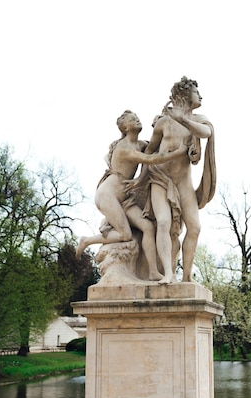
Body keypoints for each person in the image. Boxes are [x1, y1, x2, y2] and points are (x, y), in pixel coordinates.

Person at [76, 110, 188, 281]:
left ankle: (152, 272)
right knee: (125, 235)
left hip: (125, 198)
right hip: (108, 196)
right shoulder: (125, 148)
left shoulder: (140, 144)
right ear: (125, 128)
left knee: (148, 227)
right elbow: (151, 159)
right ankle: (87, 240)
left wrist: (164, 119)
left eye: (136, 117)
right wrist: (180, 152)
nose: (136, 119)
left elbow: (155, 146)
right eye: (131, 119)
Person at [142, 77, 216, 284]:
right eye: (196, 92)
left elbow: (207, 133)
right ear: (184, 95)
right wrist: (140, 179)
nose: (200, 96)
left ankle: (186, 276)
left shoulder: (198, 121)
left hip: (183, 183)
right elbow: (149, 151)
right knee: (164, 222)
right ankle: (168, 273)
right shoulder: (163, 122)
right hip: (159, 178)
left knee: (195, 227)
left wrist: (182, 119)